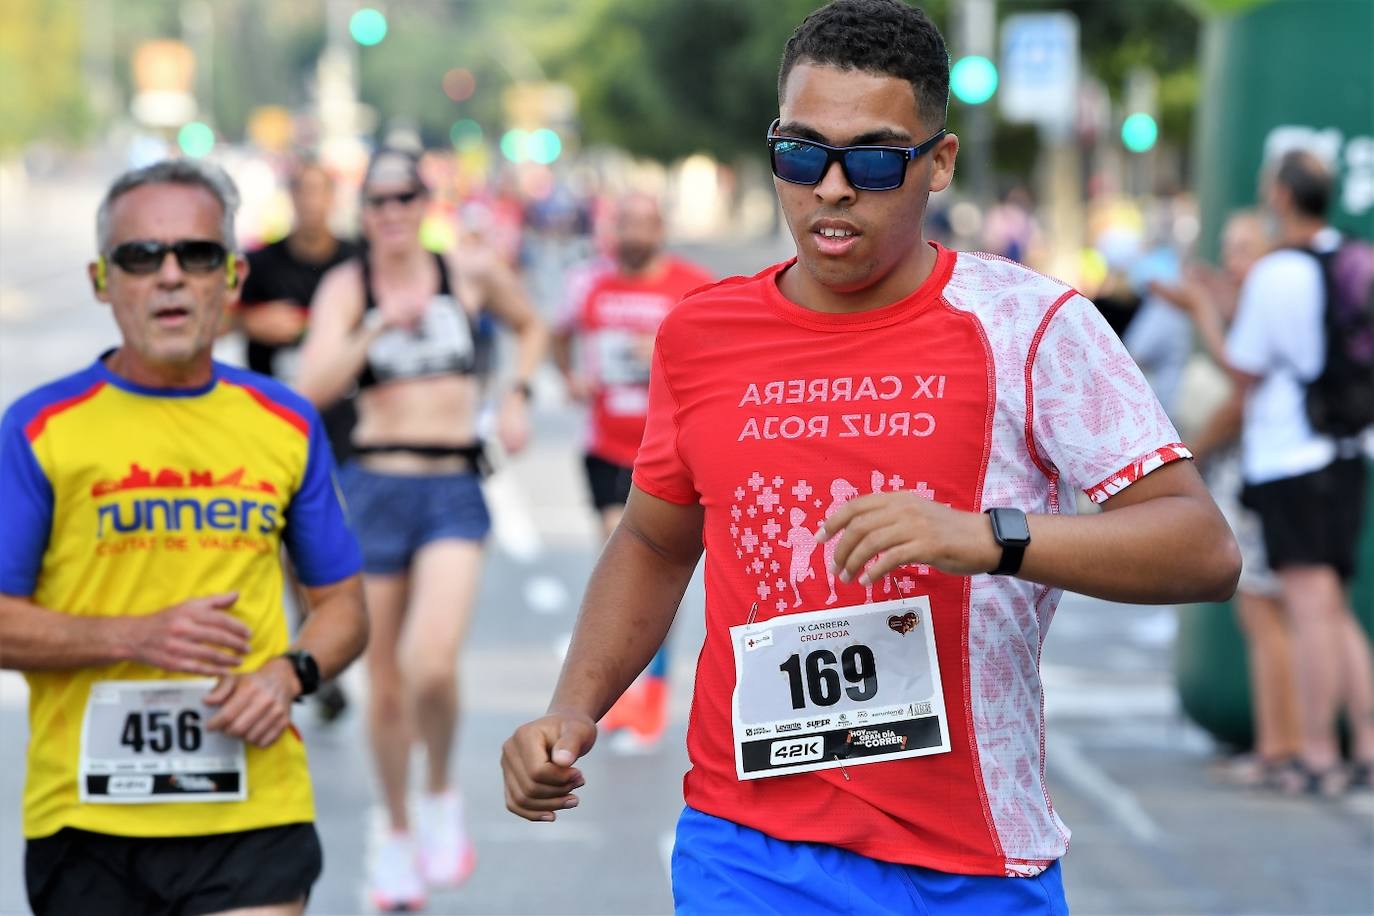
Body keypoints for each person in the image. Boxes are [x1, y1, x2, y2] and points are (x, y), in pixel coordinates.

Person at [501, 2, 1240, 913]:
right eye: (803, 154)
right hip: (749, 849)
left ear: (939, 163)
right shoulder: (702, 335)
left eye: (877, 158)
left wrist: (987, 538)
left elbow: (1202, 549)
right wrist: (573, 708)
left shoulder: (1029, 326)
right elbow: (655, 542)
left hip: (967, 867)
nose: (834, 187)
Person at [0, 158, 369, 916]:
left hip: (252, 813)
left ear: (231, 278)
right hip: (85, 815)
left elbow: (344, 611)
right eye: (141, 257)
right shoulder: (40, 428)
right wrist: (135, 634)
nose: (169, 276)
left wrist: (288, 675)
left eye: (196, 255)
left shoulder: (285, 421)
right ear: (103, 280)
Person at [296, 148, 547, 911]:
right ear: (362, 210)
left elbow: (530, 322)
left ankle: (438, 791)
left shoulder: (462, 271)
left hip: (450, 489)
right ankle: (396, 829)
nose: (392, 212)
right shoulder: (349, 285)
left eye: (405, 197)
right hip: (373, 483)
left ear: (424, 202)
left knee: (429, 661)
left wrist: (517, 396)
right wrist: (375, 326)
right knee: (385, 682)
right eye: (377, 200)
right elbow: (309, 387)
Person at [1167, 151, 1374, 796]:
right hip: (1347, 450)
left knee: (1309, 608)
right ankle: (1364, 744)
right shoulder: (1353, 258)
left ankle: (1316, 754)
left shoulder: (1281, 272)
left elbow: (1243, 370)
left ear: (1283, 197)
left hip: (1291, 457)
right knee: (1333, 607)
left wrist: (1204, 309)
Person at [552, 193, 713, 750]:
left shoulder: (689, 286)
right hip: (603, 444)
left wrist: (666, 353)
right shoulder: (589, 286)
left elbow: (720, 356)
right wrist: (568, 376)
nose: (634, 233)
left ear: (661, 228)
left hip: (664, 446)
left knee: (649, 566)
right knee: (616, 557)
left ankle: (654, 695)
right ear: (612, 228)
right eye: (626, 222)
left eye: (645, 223)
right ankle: (622, 697)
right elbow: (556, 332)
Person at [1153, 210, 1302, 790]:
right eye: (1229, 246)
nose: (1235, 258)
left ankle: (1281, 747)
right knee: (1266, 613)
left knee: (1265, 613)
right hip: (1259, 472)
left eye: (1245, 247)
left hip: (1261, 474)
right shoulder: (1265, 296)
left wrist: (1187, 453)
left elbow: (1241, 382)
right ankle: (1280, 743)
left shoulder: (1267, 297)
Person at [239, 158, 362, 724]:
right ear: (291, 198)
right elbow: (213, 316)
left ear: (333, 198)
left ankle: (327, 640)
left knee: (336, 535)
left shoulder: (353, 263)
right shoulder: (261, 262)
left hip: (342, 418)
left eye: (321, 192)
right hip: (272, 420)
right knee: (292, 546)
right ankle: (315, 640)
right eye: (302, 193)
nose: (312, 203)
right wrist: (251, 322)